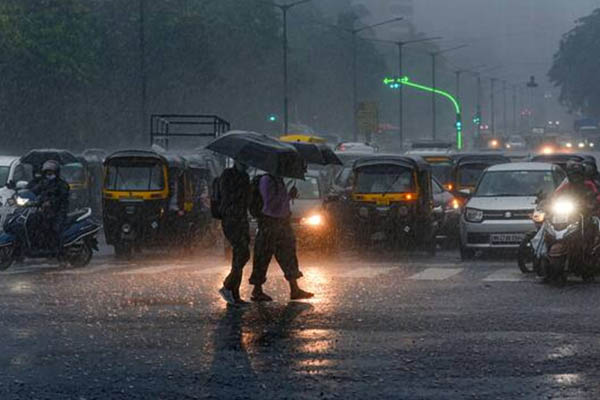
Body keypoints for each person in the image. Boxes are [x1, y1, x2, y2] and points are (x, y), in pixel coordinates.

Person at [250, 174, 314, 302]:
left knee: (288, 255)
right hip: (270, 223)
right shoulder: (267, 180)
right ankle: (257, 290)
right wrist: (286, 196)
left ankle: (294, 289)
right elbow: (270, 204)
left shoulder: (278, 180)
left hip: (282, 222)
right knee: (263, 256)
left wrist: (290, 196)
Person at [218, 161, 251, 305]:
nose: (246, 165)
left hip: (242, 218)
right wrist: (243, 189)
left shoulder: (245, 176)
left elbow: (247, 200)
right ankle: (227, 286)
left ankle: (234, 292)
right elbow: (229, 196)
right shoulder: (227, 175)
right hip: (231, 218)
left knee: (241, 255)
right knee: (242, 252)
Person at [31, 160, 70, 251]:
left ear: (56, 172)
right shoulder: (44, 182)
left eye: (51, 172)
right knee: (34, 222)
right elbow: (34, 190)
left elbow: (62, 197)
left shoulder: (62, 184)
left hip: (58, 211)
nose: (49, 174)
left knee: (54, 229)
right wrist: (21, 192)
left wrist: (51, 202)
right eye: (47, 172)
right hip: (44, 210)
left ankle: (58, 251)